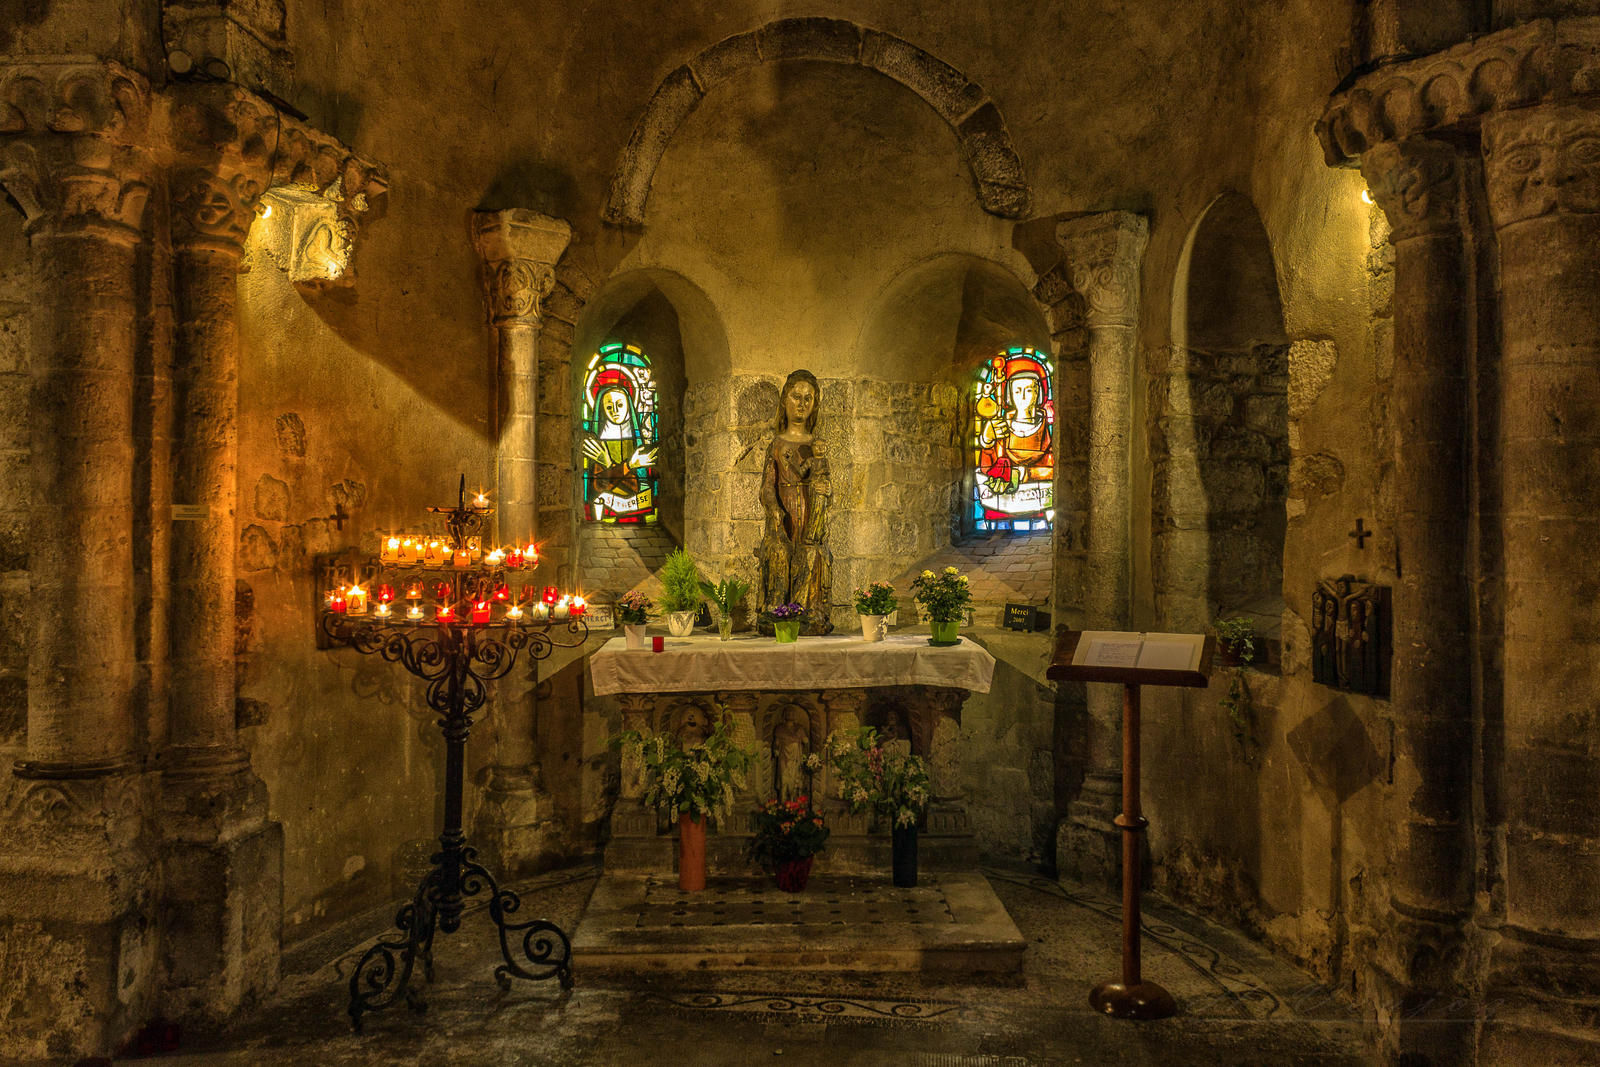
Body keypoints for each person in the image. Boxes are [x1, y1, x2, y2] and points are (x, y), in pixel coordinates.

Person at [758, 370, 833, 634]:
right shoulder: (777, 444)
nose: (801, 404)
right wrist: (774, 508)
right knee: (780, 555)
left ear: (814, 405)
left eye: (808, 399)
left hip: (810, 514)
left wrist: (825, 490)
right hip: (784, 514)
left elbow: (825, 481)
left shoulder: (817, 446)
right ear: (785, 401)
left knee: (810, 556)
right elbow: (766, 486)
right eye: (796, 397)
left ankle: (808, 614)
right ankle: (776, 614)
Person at [976, 352, 1054, 521]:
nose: (1023, 396)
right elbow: (987, 468)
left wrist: (1024, 474)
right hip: (1000, 507)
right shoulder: (1001, 427)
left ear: (1038, 393)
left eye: (1029, 390)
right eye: (1018, 391)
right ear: (1009, 395)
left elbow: (1051, 465)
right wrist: (987, 440)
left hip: (1038, 503)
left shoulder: (1046, 429)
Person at [581, 367, 658, 520]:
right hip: (606, 512)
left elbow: (636, 487)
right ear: (601, 408)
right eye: (609, 406)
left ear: (629, 406)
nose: (615, 410)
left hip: (636, 511)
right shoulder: (597, 442)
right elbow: (598, 487)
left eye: (620, 405)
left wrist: (609, 464)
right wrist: (630, 465)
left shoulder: (638, 441)